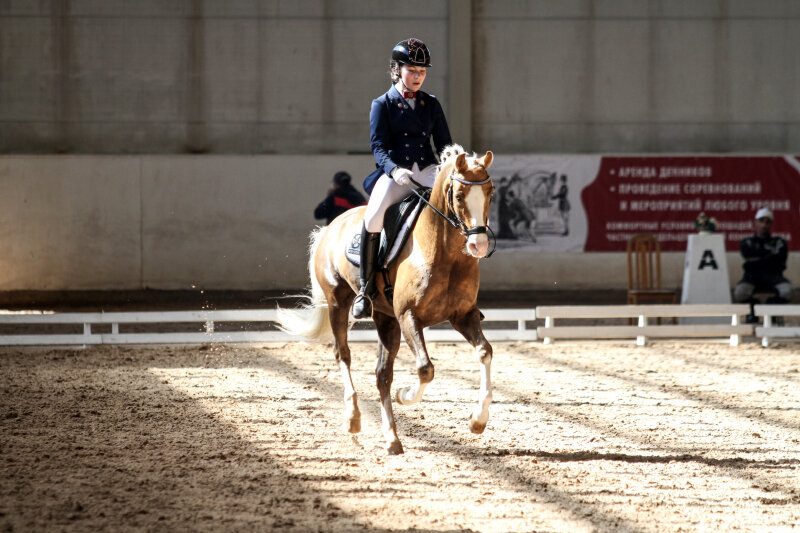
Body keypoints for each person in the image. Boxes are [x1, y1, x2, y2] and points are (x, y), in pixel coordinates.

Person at [352, 38, 452, 319]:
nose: (418, 76)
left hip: (428, 170)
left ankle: (461, 285)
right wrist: (394, 170)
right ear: (397, 70)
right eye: (412, 70)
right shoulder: (381, 104)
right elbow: (378, 147)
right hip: (397, 172)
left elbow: (444, 143)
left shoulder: (431, 104)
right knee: (373, 217)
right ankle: (365, 287)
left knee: (458, 208)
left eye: (422, 71)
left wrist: (451, 165)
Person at [733, 207, 794, 323]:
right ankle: (753, 311)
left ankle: (771, 309)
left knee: (788, 290)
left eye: (767, 221)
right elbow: (747, 256)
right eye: (761, 221)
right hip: (752, 276)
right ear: (756, 222)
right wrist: (769, 255)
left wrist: (757, 259)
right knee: (740, 292)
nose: (764, 224)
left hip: (774, 276)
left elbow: (780, 259)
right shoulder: (747, 242)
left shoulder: (779, 241)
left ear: (771, 224)